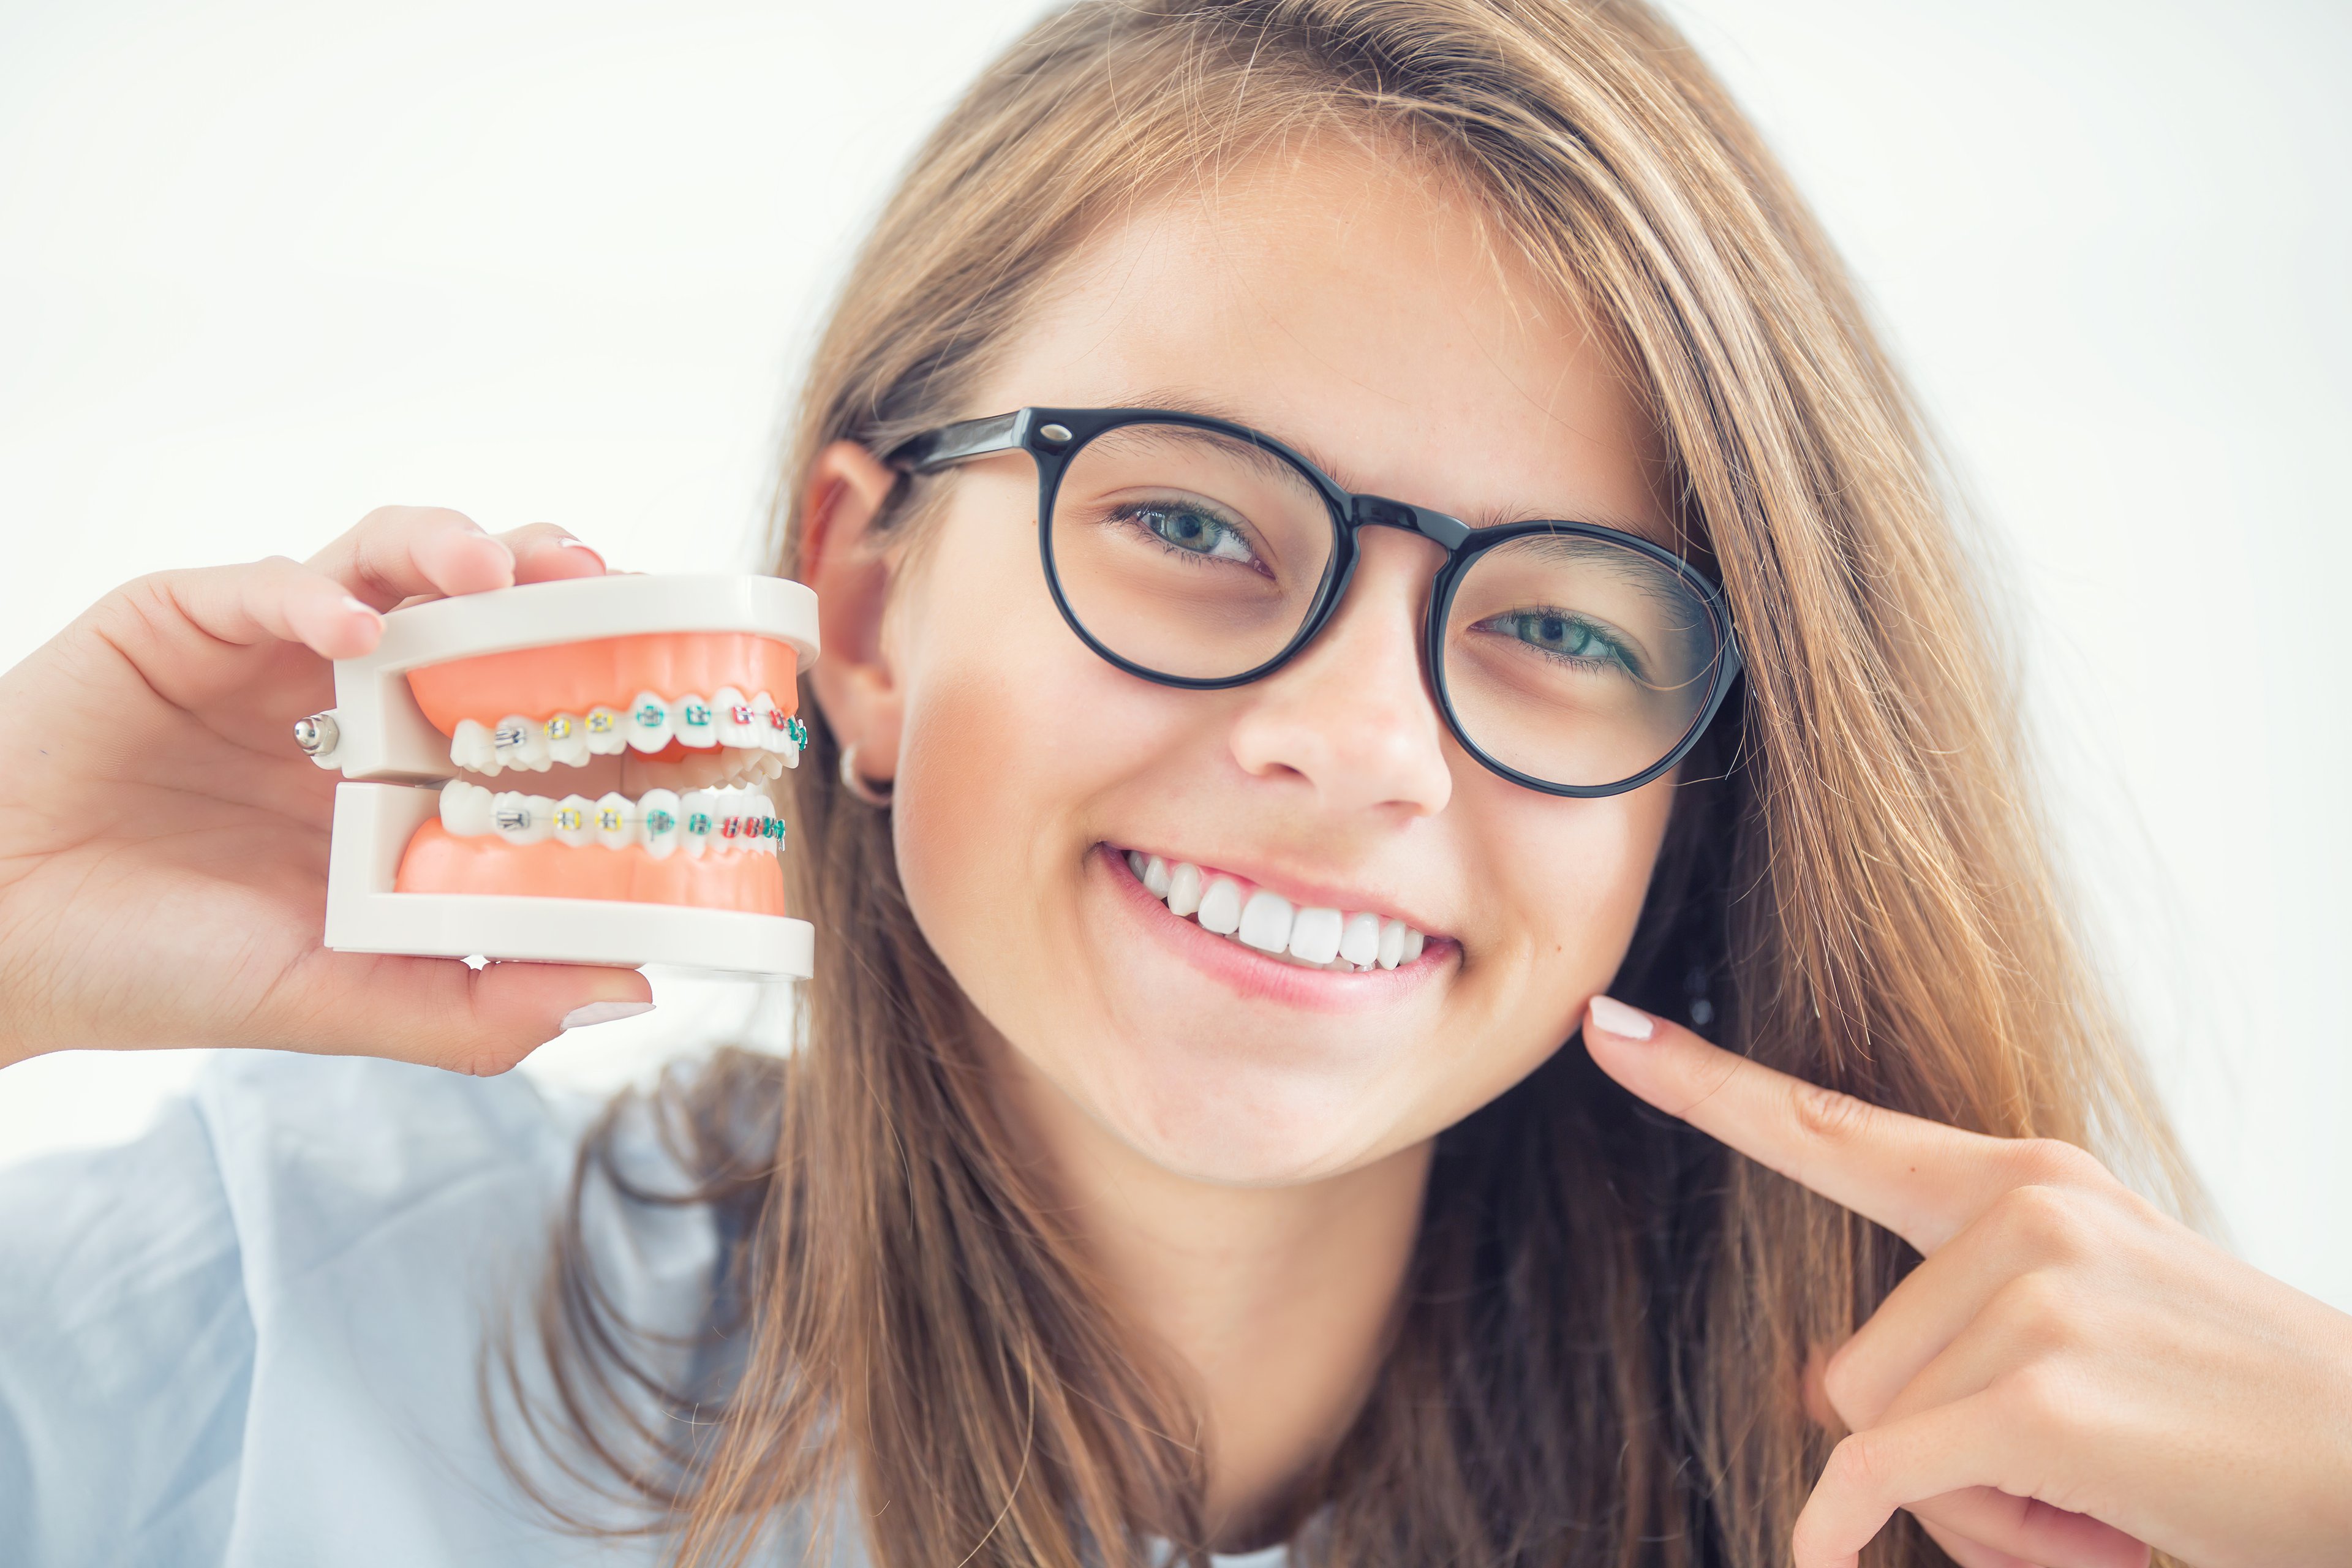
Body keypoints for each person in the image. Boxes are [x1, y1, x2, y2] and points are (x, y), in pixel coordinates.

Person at [2, 2, 2346, 1564]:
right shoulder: (261, 1325)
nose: (1354, 738)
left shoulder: (1984, 1506)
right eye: (1199, 525)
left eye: (1556, 625)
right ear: (864, 601)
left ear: (1692, 803)